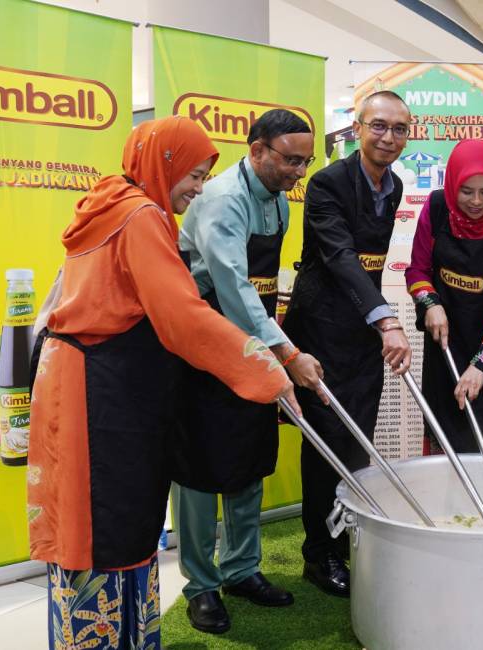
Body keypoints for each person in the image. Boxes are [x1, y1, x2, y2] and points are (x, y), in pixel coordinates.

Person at [27, 116, 294, 649]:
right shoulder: (140, 215)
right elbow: (182, 316)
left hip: (89, 385)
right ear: (163, 163)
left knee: (118, 519)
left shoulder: (110, 202)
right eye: (193, 174)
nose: (199, 188)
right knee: (107, 524)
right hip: (101, 396)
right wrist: (267, 372)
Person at [171, 109, 327, 634]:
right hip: (202, 347)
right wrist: (286, 354)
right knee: (197, 471)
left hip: (249, 348)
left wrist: (272, 346)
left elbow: (261, 289)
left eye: (305, 161)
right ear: (257, 149)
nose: (297, 172)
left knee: (248, 458)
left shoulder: (278, 199)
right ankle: (201, 585)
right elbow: (234, 290)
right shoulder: (222, 200)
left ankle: (241, 569)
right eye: (289, 159)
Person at [283, 90, 412, 597]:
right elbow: (338, 257)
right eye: (378, 126)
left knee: (359, 439)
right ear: (357, 128)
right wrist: (386, 320)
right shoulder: (327, 182)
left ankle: (347, 537)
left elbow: (369, 266)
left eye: (399, 129)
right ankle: (319, 554)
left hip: (360, 330)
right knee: (325, 442)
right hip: (319, 330)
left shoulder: (395, 185)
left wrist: (375, 322)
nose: (388, 137)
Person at [405, 139, 483, 453]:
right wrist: (431, 303)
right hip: (446, 344)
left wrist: (481, 366)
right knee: (446, 441)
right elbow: (417, 271)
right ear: (452, 184)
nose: (476, 201)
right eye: (466, 191)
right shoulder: (437, 209)